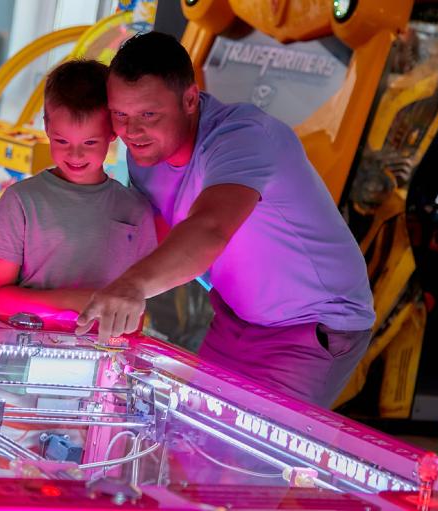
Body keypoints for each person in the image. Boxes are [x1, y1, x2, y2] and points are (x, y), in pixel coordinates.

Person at [75, 32, 375, 407]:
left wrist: (132, 286)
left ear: (189, 99)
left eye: (149, 114)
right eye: (121, 115)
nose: (132, 132)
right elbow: (154, 236)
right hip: (235, 316)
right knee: (194, 447)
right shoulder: (144, 153)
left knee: (254, 458)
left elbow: (210, 227)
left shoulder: (242, 137)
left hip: (311, 326)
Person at [0, 59, 157, 320]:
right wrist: (71, 301)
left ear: (112, 131)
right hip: (28, 346)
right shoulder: (20, 201)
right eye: (62, 140)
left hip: (105, 351)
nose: (75, 154)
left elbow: (139, 300)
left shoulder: (136, 209)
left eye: (89, 141)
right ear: (47, 126)